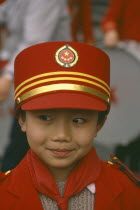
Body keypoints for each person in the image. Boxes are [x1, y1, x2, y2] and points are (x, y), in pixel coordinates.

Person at [0, 41, 140, 209]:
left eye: (78, 120)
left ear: (99, 123)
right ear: (22, 120)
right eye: (45, 117)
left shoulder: (129, 192)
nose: (62, 135)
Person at [0, 0, 72, 171]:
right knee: (21, 138)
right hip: (30, 74)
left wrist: (8, 76)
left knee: (29, 142)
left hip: (50, 78)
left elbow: (34, 43)